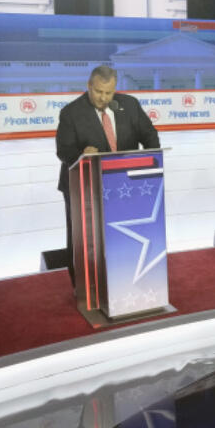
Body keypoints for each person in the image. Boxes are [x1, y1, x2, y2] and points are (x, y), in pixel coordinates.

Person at [55, 65, 160, 286]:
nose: (103, 98)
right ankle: (84, 287)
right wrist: (81, 154)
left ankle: (125, 278)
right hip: (84, 187)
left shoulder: (129, 105)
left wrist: (151, 164)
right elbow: (63, 151)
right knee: (85, 240)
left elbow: (150, 135)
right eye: (98, 92)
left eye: (109, 93)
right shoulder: (71, 113)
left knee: (123, 235)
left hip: (125, 184)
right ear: (89, 86)